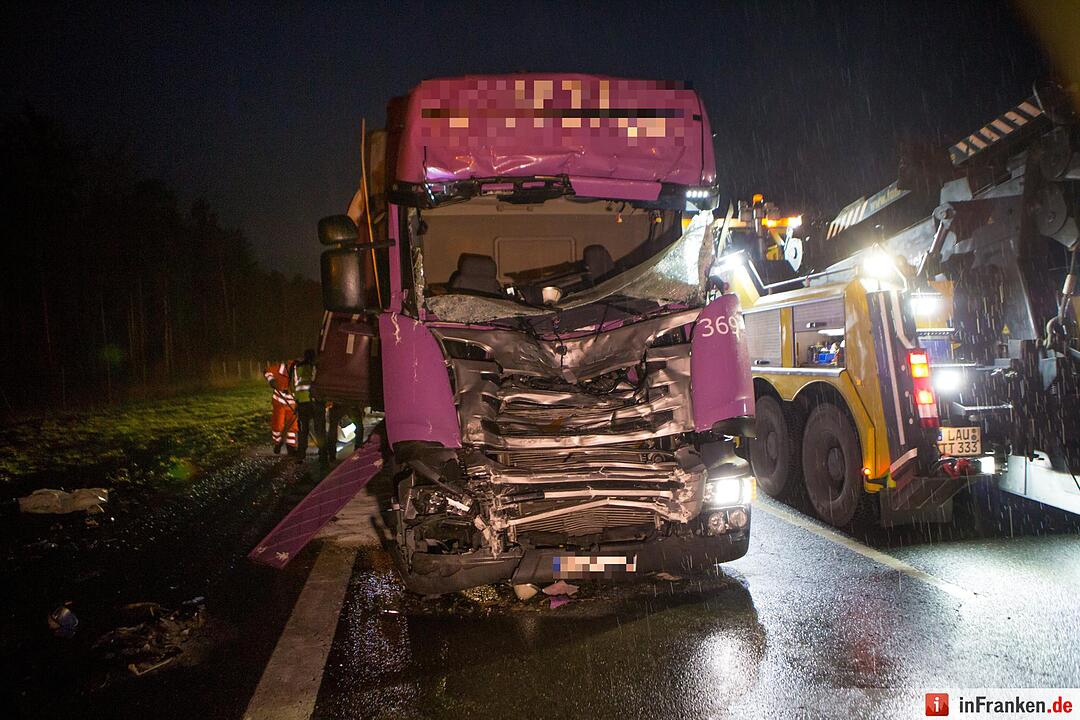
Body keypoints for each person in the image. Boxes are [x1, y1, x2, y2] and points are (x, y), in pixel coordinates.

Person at [289, 349, 324, 461]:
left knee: (303, 430)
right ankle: (323, 454)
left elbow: (293, 385)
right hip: (315, 401)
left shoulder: (296, 367)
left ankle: (301, 453)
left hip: (302, 402)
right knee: (319, 428)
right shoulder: (316, 366)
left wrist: (297, 399)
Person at [263, 361, 298, 454]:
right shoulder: (280, 369)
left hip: (293, 403)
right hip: (280, 402)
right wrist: (272, 380)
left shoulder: (301, 371)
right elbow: (267, 371)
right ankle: (278, 442)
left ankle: (291, 447)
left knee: (293, 426)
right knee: (278, 424)